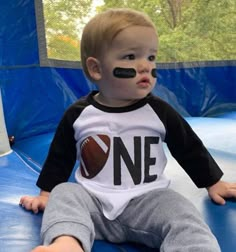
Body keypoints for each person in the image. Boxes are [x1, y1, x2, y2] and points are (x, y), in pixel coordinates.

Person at [20, 8, 236, 252]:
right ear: (96, 69)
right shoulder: (79, 114)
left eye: (151, 57)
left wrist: (213, 182)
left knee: (180, 209)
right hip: (94, 204)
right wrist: (47, 194)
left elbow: (188, 147)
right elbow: (60, 156)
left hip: (148, 204)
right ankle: (67, 243)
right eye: (131, 57)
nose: (145, 66)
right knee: (66, 193)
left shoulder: (159, 111)